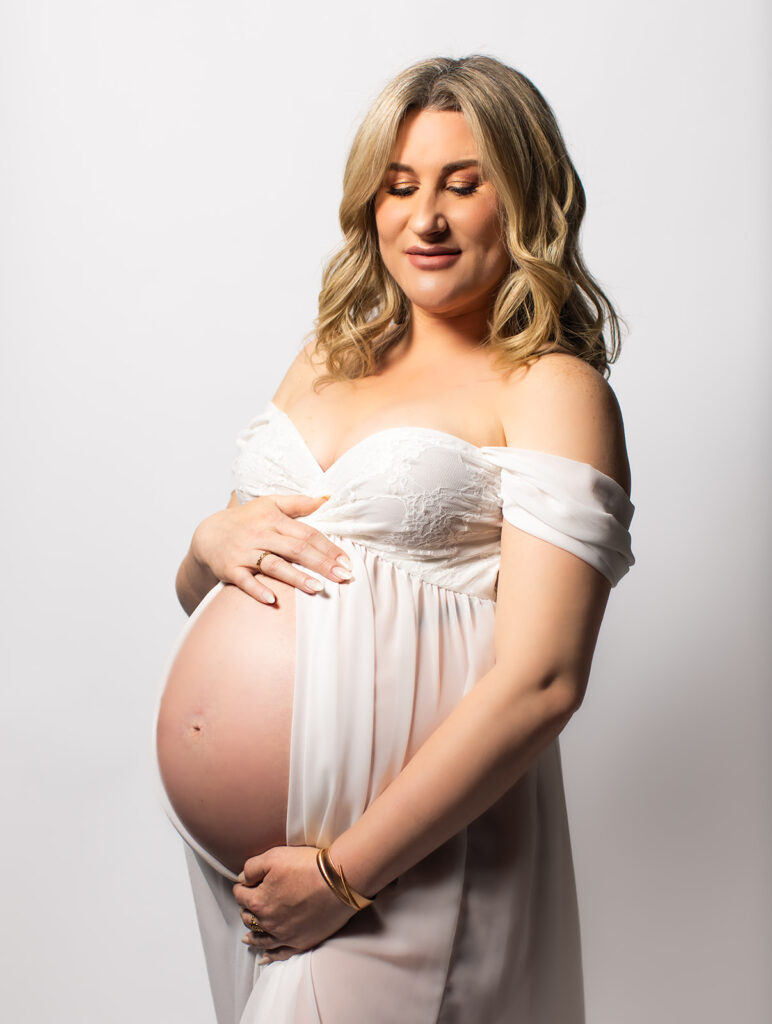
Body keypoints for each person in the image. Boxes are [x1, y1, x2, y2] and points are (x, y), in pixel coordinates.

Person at [154, 54, 635, 1023]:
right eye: (399, 185)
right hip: (248, 866)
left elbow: (543, 680)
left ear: (525, 197)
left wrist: (342, 873)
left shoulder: (548, 387)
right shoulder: (327, 356)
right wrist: (208, 540)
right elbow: (203, 588)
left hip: (397, 863)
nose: (425, 218)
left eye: (464, 184)